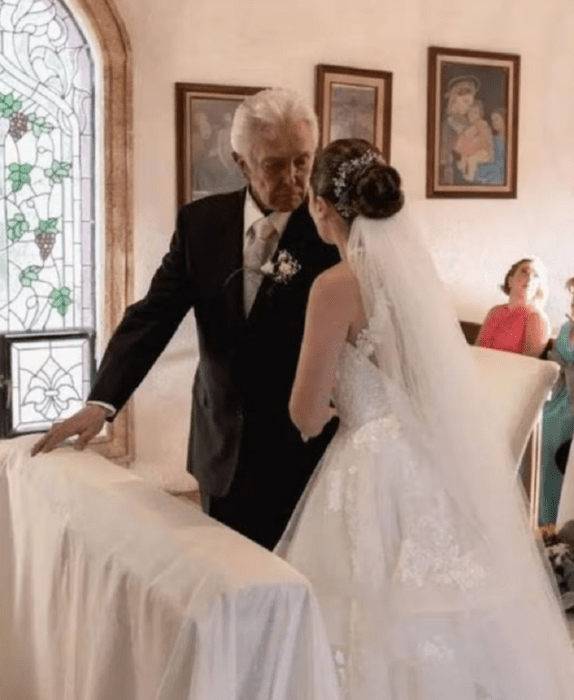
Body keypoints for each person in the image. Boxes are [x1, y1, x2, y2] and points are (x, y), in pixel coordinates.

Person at [275, 138, 574, 699]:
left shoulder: (334, 287)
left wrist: (330, 412)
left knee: (360, 615)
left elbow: (305, 411)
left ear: (320, 206)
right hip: (428, 456)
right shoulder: (418, 279)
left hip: (367, 462)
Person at [31, 88, 339, 550]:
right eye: (275, 164)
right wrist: (101, 403)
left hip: (305, 452)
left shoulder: (332, 232)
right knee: (226, 585)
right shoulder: (201, 223)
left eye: (303, 161)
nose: (295, 179)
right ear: (241, 162)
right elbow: (152, 317)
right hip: (221, 449)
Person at [540, 277, 574, 525]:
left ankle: (560, 520)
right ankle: (542, 518)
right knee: (541, 427)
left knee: (561, 432)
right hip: (559, 394)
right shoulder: (564, 328)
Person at [475, 257, 551, 357]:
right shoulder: (495, 311)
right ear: (510, 281)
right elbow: (478, 349)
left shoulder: (537, 318)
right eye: (525, 271)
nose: (530, 278)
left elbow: (528, 362)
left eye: (536, 276)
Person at [453, 100, 494, 182]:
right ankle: (463, 174)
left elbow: (484, 142)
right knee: (463, 158)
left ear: (480, 115)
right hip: (470, 151)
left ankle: (470, 177)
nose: (472, 115)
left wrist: (470, 150)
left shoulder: (482, 125)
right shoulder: (466, 128)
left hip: (483, 152)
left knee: (472, 158)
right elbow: (459, 144)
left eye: (475, 113)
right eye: (470, 112)